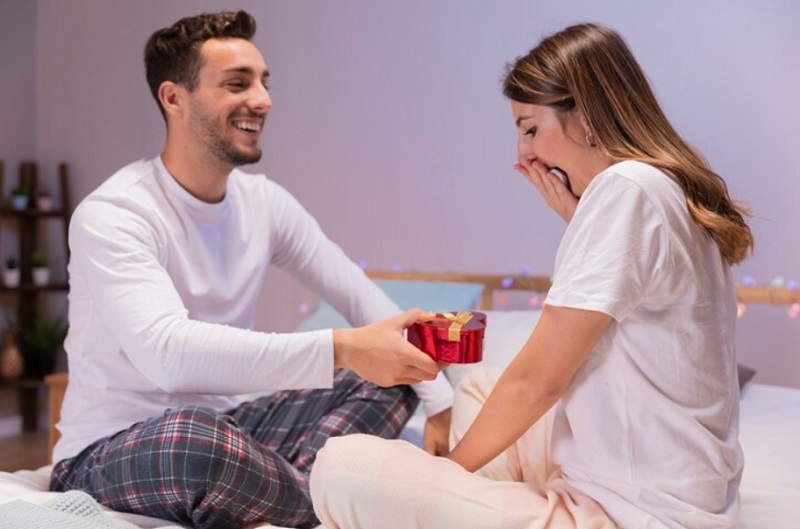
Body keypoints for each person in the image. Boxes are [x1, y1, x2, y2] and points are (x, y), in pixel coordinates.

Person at [309, 22, 754, 529]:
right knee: (477, 385)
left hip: (634, 516)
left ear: (585, 115)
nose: (523, 154)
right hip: (676, 494)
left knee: (340, 466)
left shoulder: (626, 189)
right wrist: (578, 219)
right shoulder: (663, 188)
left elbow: (536, 385)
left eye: (529, 128)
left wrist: (445, 480)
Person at [49, 10, 453, 529]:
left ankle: (275, 492)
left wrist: (438, 399)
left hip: (233, 428)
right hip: (114, 451)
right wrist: (345, 347)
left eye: (264, 82)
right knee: (192, 439)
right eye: (238, 83)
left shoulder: (265, 204)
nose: (262, 100)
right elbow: (168, 355)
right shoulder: (116, 213)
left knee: (391, 378)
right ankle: (319, 499)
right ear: (173, 98)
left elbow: (357, 296)